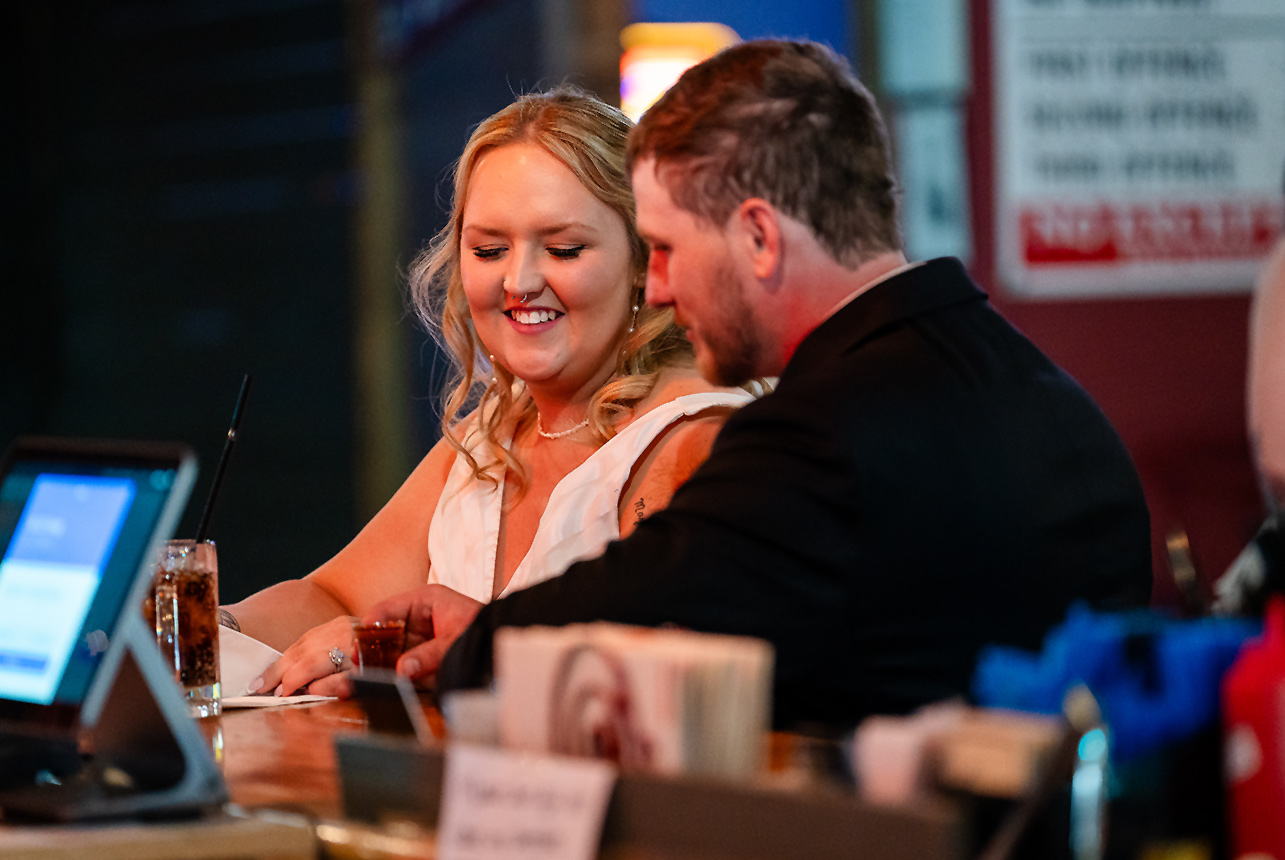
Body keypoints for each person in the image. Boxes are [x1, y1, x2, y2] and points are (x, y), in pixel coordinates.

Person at [354, 39, 1153, 729]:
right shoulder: (1025, 381)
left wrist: (475, 641)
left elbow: (655, 586)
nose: (658, 289)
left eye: (665, 249)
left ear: (760, 239)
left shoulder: (827, 426)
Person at [222, 88, 754, 695]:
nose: (519, 281)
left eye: (563, 249)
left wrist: (414, 648)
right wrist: (202, 627)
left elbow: (685, 678)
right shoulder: (492, 434)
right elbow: (333, 594)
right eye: (489, 250)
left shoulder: (700, 439)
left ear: (643, 258)